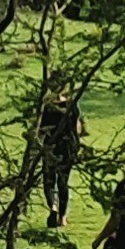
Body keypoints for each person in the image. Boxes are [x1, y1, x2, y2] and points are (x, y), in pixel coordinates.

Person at [30, 83, 84, 229]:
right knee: (63, 181)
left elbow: (40, 129)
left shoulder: (46, 106)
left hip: (50, 146)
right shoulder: (70, 105)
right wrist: (76, 147)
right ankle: (62, 217)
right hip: (66, 147)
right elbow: (76, 128)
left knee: (49, 180)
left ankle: (53, 207)